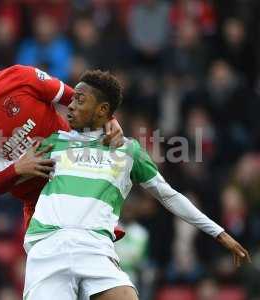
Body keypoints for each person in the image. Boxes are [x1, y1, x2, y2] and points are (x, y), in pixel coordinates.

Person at [23, 70, 251, 300]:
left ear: (103, 110)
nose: (70, 105)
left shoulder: (128, 151)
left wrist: (219, 232)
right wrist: (17, 169)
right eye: (71, 99)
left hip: (94, 247)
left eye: (79, 100)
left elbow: (169, 196)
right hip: (49, 245)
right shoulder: (54, 142)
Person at [0, 55, 124, 230]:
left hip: (75, 185)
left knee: (99, 264)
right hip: (38, 209)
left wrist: (110, 120)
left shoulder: (20, 77)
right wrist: (18, 168)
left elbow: (77, 100)